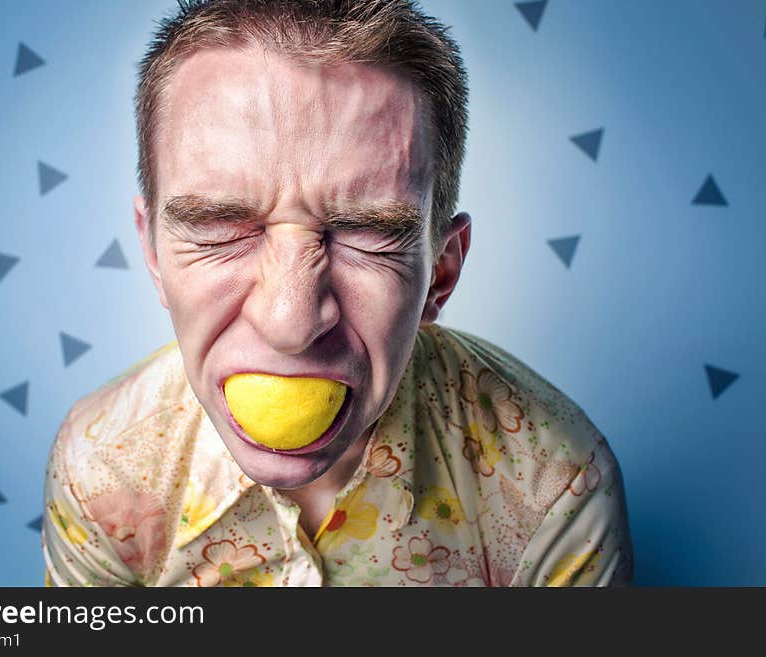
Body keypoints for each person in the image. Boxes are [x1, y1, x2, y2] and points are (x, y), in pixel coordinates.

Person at [42, 0, 633, 587]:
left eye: (366, 234)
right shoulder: (101, 471)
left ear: (441, 274)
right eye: (221, 227)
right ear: (153, 252)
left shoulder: (557, 488)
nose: (290, 322)